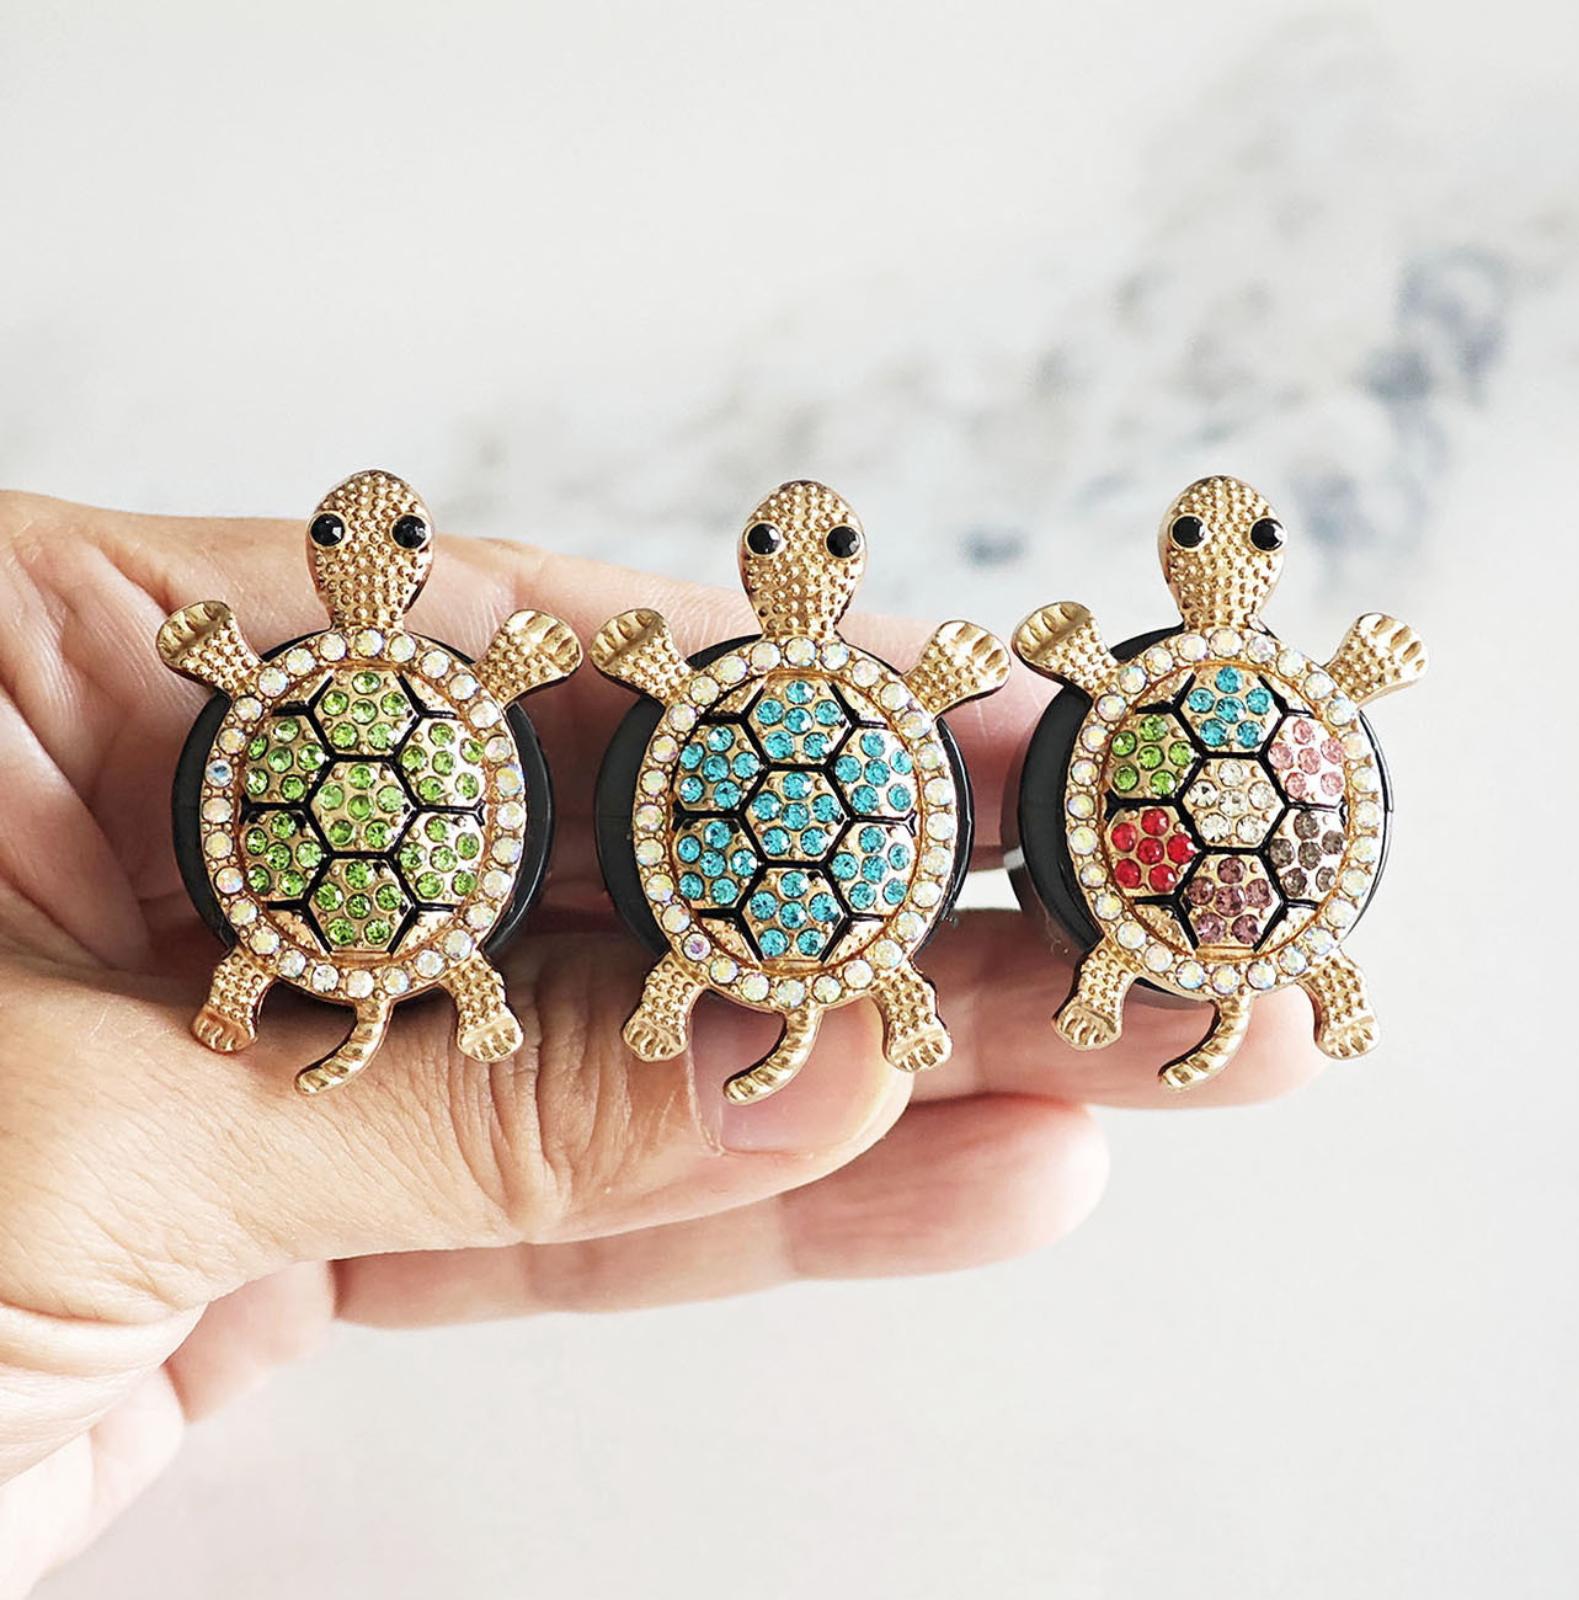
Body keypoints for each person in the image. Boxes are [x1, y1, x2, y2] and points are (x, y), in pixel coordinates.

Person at [0, 490, 1319, 1588]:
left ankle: (421, 984)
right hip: (464, 894)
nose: (801, 570)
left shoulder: (796, 709)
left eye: (822, 552)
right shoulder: (441, 697)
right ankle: (387, 984)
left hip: (755, 898)